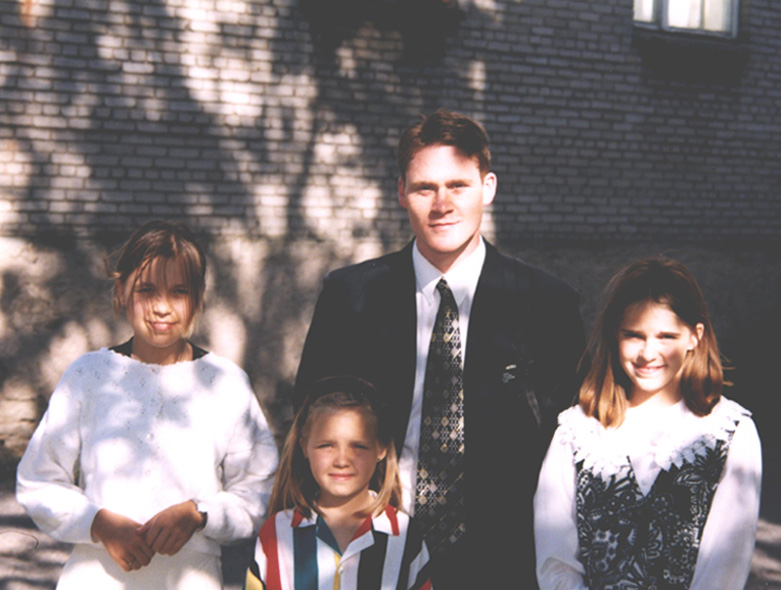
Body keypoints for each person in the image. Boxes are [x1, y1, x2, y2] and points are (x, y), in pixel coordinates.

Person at [294, 109, 585, 590]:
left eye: (458, 186)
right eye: (425, 188)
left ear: (488, 187)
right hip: (373, 550)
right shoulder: (352, 297)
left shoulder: (547, 305)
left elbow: (569, 445)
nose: (442, 204)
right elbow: (309, 421)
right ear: (402, 193)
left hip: (503, 562)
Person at [17, 219, 279, 590]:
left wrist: (199, 515)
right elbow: (38, 481)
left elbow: (259, 489)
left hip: (191, 579)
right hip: (96, 578)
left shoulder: (225, 383)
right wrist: (99, 523)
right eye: (146, 289)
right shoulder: (88, 376)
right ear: (121, 290)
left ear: (199, 297)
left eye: (179, 291)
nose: (161, 307)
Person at [534, 257, 761, 590]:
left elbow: (725, 568)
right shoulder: (577, 432)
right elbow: (556, 560)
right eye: (634, 335)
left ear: (694, 337)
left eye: (666, 336)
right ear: (615, 334)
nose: (648, 353)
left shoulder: (728, 434)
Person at [246, 376, 431, 590]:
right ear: (304, 446)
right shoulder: (276, 533)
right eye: (326, 445)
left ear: (380, 449)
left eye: (358, 446)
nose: (342, 461)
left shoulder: (404, 535)